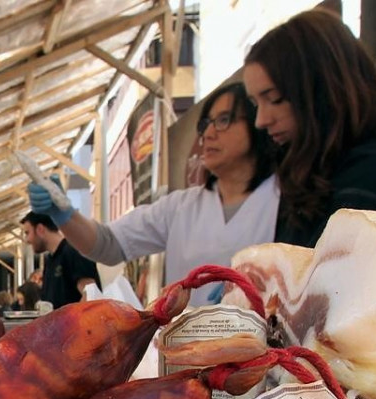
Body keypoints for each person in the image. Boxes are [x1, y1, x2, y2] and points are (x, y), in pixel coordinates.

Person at [29, 82, 279, 306]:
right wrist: (65, 215)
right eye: (205, 124)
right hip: (186, 349)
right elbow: (108, 244)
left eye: (224, 120)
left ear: (259, 123)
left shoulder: (285, 202)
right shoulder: (181, 207)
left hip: (266, 349)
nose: (209, 134)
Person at [243, 9, 376, 248]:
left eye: (275, 99)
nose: (261, 120)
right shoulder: (311, 170)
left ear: (322, 88)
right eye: (255, 104)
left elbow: (322, 277)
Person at [20, 212, 100, 307]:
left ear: (40, 229)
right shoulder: (50, 260)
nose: (27, 240)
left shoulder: (74, 251)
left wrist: (72, 320)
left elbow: (90, 297)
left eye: (27, 233)